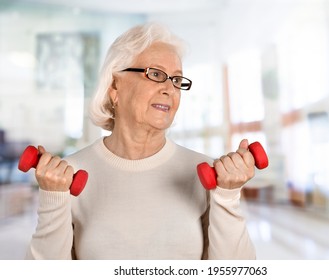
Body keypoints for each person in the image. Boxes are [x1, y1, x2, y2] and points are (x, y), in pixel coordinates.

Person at [25, 22, 257, 260]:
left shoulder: (209, 174)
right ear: (115, 86)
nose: (170, 89)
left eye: (177, 80)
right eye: (156, 74)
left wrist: (227, 197)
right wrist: (53, 198)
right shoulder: (68, 176)